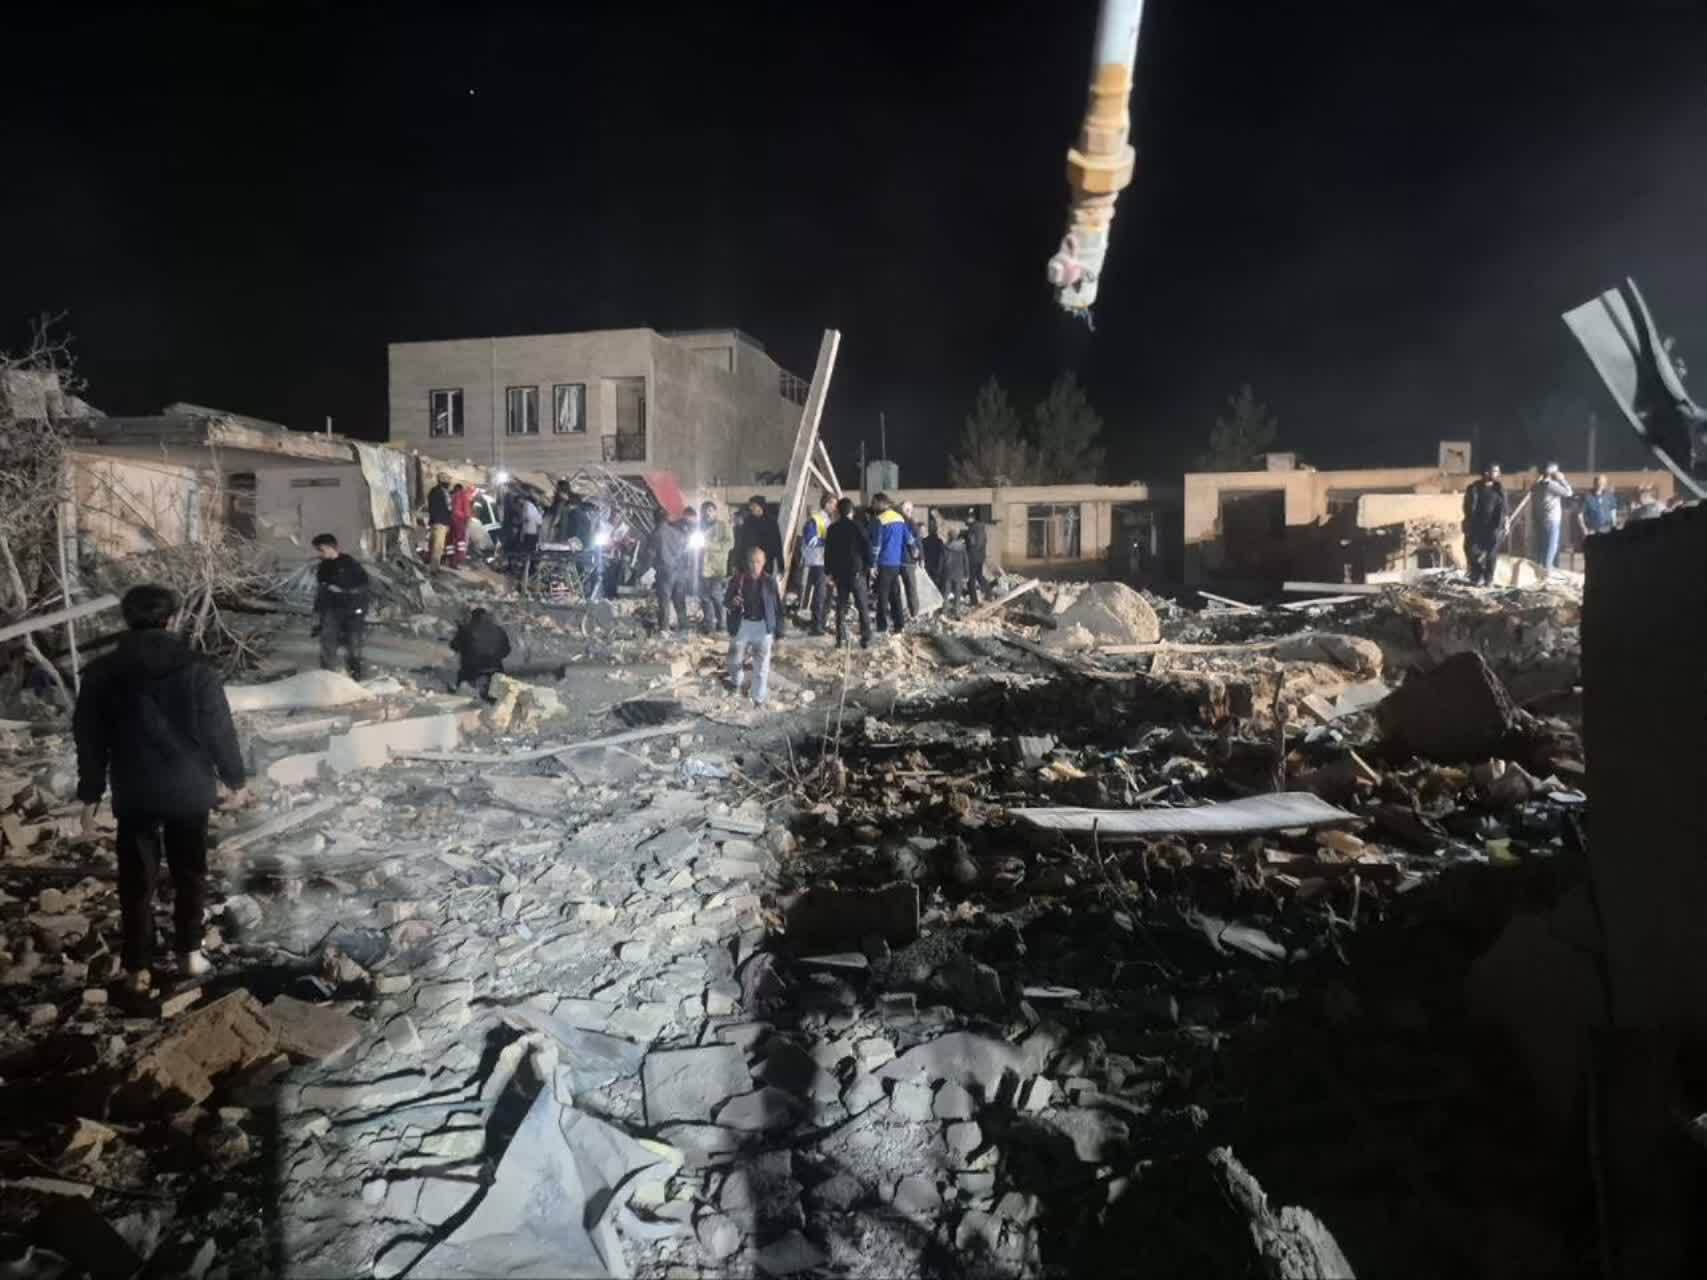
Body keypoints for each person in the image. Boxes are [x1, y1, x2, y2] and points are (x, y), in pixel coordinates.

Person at [74, 584, 247, 992]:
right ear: (171, 619)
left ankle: (137, 968)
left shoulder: (101, 671)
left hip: (135, 790)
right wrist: (235, 779)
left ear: (126, 619)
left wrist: (90, 794)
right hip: (189, 789)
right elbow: (219, 730)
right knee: (190, 873)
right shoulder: (197, 668)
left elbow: (90, 739)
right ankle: (189, 954)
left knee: (136, 880)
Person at [724, 545, 785, 705]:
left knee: (761, 666)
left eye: (758, 562)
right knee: (733, 660)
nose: (754, 565)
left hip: (763, 626)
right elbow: (726, 602)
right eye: (752, 561)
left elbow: (778, 609)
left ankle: (758, 698)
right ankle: (737, 682)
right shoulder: (737, 580)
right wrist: (733, 601)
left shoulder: (770, 582)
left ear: (763, 562)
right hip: (743, 624)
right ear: (747, 562)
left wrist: (780, 635)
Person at [312, 533, 370, 678]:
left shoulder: (350, 563)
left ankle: (356, 675)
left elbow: (363, 586)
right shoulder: (323, 567)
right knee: (328, 642)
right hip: (331, 610)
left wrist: (344, 591)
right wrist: (318, 612)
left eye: (321, 549)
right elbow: (322, 590)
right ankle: (327, 675)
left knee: (353, 643)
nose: (320, 553)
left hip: (352, 609)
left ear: (329, 547)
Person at [825, 496, 873, 648]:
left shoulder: (832, 529)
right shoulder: (858, 527)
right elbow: (867, 547)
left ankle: (840, 639)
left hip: (840, 575)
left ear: (838, 512)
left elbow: (828, 552)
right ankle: (865, 638)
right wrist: (869, 566)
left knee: (840, 607)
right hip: (857, 573)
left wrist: (829, 572)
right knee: (862, 606)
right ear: (852, 511)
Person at [868, 493, 916, 633]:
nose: (872, 505)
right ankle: (899, 625)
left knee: (882, 597)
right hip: (896, 564)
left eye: (874, 503)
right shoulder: (899, 518)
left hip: (883, 563)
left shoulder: (879, 520)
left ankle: (882, 626)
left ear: (880, 503)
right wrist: (914, 549)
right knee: (895, 596)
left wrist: (873, 564)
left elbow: (876, 545)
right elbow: (909, 538)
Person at [450, 607, 511, 702]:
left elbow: (454, 646)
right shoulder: (498, 629)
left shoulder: (466, 629)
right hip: (495, 667)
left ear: (473, 617)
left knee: (462, 683)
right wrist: (496, 656)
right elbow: (506, 650)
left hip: (472, 668)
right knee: (499, 688)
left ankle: (459, 694)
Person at [1460, 464, 1505, 587]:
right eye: (1495, 471)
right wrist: (1466, 520)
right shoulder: (1473, 488)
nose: (1498, 474)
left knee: (1491, 554)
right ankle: (1477, 574)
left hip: (1493, 527)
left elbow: (1504, 508)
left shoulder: (1499, 489)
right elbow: (1466, 506)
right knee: (1470, 550)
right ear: (1486, 472)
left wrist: (1503, 524)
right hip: (1476, 526)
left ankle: (1488, 579)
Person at [697, 499, 735, 634]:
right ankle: (709, 625)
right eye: (704, 511)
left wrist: (710, 546)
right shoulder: (699, 527)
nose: (707, 513)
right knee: (704, 597)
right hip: (701, 567)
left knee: (716, 595)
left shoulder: (723, 526)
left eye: (709, 510)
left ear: (715, 512)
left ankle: (722, 623)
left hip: (717, 568)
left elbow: (730, 544)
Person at [651, 508, 692, 631]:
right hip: (679, 571)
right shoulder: (677, 533)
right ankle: (684, 627)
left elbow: (650, 554)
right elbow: (685, 551)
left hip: (665, 571)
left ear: (655, 519)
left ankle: (664, 628)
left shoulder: (656, 533)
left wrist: (641, 572)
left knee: (664, 601)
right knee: (679, 601)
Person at [799, 494, 834, 635]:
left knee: (826, 595)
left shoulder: (827, 519)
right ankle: (816, 626)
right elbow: (810, 540)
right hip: (818, 562)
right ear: (826, 503)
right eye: (833, 503)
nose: (835, 507)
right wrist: (828, 541)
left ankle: (821, 623)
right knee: (820, 595)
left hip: (825, 561)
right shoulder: (815, 519)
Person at [734, 495, 784, 582]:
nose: (751, 508)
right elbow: (742, 543)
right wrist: (738, 563)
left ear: (760, 507)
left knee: (764, 585)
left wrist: (781, 566)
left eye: (753, 505)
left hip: (766, 562)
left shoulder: (771, 522)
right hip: (750, 562)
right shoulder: (748, 522)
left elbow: (777, 544)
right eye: (750, 506)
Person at [1535, 462, 1574, 573]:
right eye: (1557, 470)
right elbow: (1569, 493)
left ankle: (1543, 569)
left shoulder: (1538, 485)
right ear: (1551, 472)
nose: (1558, 472)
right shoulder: (1551, 485)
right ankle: (1547, 571)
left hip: (1542, 520)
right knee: (1551, 547)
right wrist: (1562, 479)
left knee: (1544, 547)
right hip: (1552, 520)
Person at [1578, 474, 1617, 540]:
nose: (1600, 485)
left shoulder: (1609, 496)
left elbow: (1613, 512)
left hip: (1607, 528)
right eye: (1599, 482)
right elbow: (1580, 515)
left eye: (1603, 483)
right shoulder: (1587, 496)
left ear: (1605, 484)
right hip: (1592, 529)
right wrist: (1584, 528)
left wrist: (1614, 527)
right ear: (1594, 483)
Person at [427, 473, 454, 566]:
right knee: (438, 547)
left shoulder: (438, 491)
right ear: (442, 481)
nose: (449, 483)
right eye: (448, 480)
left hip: (438, 522)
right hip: (440, 522)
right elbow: (445, 509)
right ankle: (434, 568)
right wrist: (444, 523)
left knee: (434, 545)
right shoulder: (439, 492)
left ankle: (430, 565)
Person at [942, 529, 971, 614]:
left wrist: (940, 572)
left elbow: (942, 560)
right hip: (959, 573)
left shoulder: (945, 546)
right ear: (957, 536)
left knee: (946, 592)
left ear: (949, 536)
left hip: (948, 572)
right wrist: (967, 574)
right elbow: (965, 561)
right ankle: (957, 611)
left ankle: (944, 610)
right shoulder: (962, 547)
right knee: (958, 593)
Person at [516, 491, 544, 577]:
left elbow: (525, 520)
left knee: (525, 556)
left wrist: (522, 535)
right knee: (530, 556)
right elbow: (539, 523)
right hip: (534, 534)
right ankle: (529, 573)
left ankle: (524, 574)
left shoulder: (526, 505)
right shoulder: (535, 509)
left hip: (528, 534)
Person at [964, 509, 989, 605]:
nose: (965, 521)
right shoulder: (981, 529)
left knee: (970, 579)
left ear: (971, 518)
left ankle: (973, 601)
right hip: (980, 557)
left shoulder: (972, 529)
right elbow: (982, 542)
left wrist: (965, 543)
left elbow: (972, 543)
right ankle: (989, 593)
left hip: (973, 558)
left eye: (966, 518)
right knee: (979, 576)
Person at [448, 483, 474, 567]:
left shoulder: (452, 496)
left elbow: (450, 508)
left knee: (451, 541)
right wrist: (467, 519)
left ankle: (450, 560)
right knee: (460, 542)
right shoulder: (464, 496)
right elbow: (467, 511)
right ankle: (458, 561)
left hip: (451, 521)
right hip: (460, 522)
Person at [922, 521, 947, 591]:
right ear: (936, 530)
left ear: (929, 531)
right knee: (936, 587)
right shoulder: (940, 542)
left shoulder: (924, 541)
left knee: (927, 586)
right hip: (937, 566)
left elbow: (922, 554)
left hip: (927, 566)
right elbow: (943, 555)